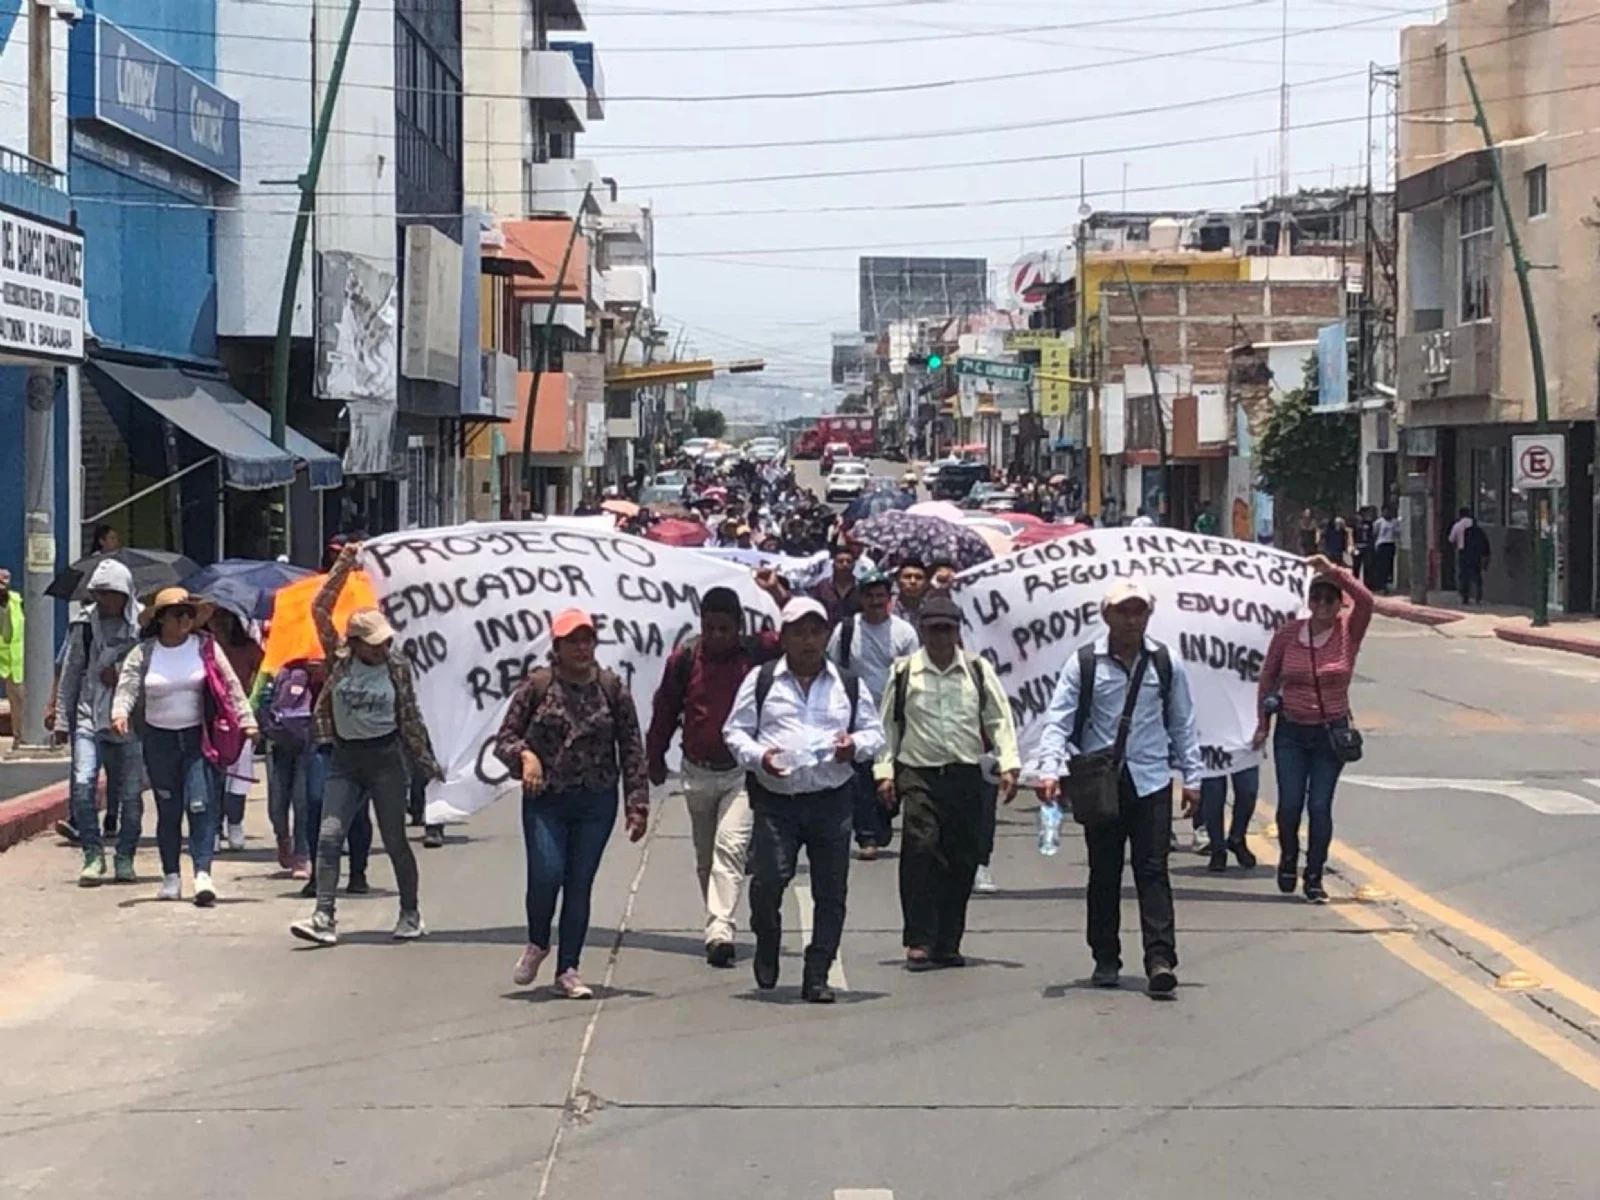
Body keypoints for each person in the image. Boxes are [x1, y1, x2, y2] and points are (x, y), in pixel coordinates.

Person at [1035, 581, 1203, 996]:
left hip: (1151, 781)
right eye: (1123, 612)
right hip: (1100, 785)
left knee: (1153, 871)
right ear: (1106, 615)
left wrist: (1193, 778)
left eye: (1138, 612)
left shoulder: (1166, 662)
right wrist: (1050, 769)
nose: (1131, 620)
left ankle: (1160, 959)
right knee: (1104, 872)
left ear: (1148, 616)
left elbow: (1182, 721)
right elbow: (1058, 718)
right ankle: (1105, 957)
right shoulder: (1085, 663)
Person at [723, 597, 886, 1003]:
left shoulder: (847, 683)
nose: (808, 641)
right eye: (798, 632)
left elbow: (874, 733)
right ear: (784, 638)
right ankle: (768, 940)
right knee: (768, 882)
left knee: (830, 891)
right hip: (778, 801)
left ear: (826, 635)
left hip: (832, 800)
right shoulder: (762, 681)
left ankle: (818, 972)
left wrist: (855, 745)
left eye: (815, 631)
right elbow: (735, 731)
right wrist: (760, 757)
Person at [289, 543, 444, 947]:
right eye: (373, 642)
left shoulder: (397, 668)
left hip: (387, 760)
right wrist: (344, 564)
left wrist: (427, 762)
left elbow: (411, 718)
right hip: (345, 759)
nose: (381, 648)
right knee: (327, 836)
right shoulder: (339, 660)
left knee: (394, 840)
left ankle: (410, 911)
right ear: (354, 643)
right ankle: (324, 915)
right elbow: (320, 607)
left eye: (384, 641)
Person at [495, 608, 650, 998]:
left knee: (579, 882)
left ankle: (569, 968)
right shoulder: (538, 686)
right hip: (546, 800)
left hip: (595, 801)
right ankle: (537, 941)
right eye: (572, 641)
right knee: (547, 873)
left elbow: (631, 746)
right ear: (557, 647)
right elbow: (505, 739)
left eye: (587, 640)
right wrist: (525, 756)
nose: (582, 648)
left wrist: (637, 803)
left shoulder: (612, 688)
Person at [875, 597, 1019, 969]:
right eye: (934, 628)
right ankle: (919, 939)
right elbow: (887, 725)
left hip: (965, 773)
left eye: (948, 629)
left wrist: (1009, 763)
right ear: (921, 630)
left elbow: (999, 718)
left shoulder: (976, 669)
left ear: (958, 631)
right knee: (921, 849)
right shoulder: (905, 671)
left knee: (961, 857)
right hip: (918, 772)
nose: (941, 637)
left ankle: (948, 940)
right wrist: (885, 772)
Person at [646, 588, 780, 968]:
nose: (718, 635)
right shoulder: (684, 660)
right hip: (697, 772)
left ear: (739, 626)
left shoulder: (757, 655)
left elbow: (792, 636)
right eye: (710, 627)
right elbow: (666, 710)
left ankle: (720, 929)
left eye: (725, 628)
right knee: (706, 857)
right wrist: (653, 758)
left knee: (729, 847)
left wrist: (776, 594)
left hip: (740, 773)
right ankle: (717, 917)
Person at [111, 590, 257, 906]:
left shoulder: (205, 647)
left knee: (201, 804)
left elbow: (229, 685)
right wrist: (120, 712)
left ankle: (202, 873)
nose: (184, 620)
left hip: (197, 738)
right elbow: (128, 686)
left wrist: (247, 719)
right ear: (161, 618)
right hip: (158, 740)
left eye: (189, 614)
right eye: (178, 614)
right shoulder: (144, 652)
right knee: (168, 808)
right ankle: (171, 876)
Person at [1254, 554, 1373, 903]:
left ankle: (1315, 875)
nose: (1322, 605)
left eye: (1330, 599)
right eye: (1316, 598)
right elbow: (1268, 678)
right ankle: (1288, 857)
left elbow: (1367, 600)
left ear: (1339, 604)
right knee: (1290, 805)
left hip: (1329, 734)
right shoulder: (1289, 634)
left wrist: (1332, 570)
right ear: (1308, 602)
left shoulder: (1348, 633)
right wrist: (1263, 722)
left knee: (1319, 806)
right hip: (1291, 731)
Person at [55, 559, 143, 885]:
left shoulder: (141, 626)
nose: (104, 600)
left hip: (129, 721)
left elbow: (149, 669)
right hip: (88, 717)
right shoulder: (84, 626)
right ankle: (93, 854)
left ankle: (125, 855)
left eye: (111, 593)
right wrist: (63, 719)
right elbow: (71, 672)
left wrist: (120, 673)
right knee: (82, 786)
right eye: (99, 593)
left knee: (131, 796)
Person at [827, 569, 919, 860]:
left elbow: (914, 673)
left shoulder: (904, 633)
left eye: (881, 596)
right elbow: (829, 666)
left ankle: (882, 820)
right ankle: (866, 834)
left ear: (889, 599)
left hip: (893, 715)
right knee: (861, 778)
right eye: (870, 596)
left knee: (890, 776)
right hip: (855, 717)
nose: (876, 601)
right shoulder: (845, 631)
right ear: (861, 598)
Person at [207, 606, 264, 853]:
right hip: (212, 719)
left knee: (239, 777)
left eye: (225, 618)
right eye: (215, 618)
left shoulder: (248, 647)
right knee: (213, 777)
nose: (220, 623)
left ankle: (235, 823)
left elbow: (265, 673)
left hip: (241, 719)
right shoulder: (204, 647)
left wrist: (252, 704)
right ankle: (214, 828)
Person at [1198, 766, 1261, 873]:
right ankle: (1217, 848)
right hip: (1212, 751)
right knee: (1213, 792)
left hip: (1244, 751)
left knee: (1248, 790)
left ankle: (1237, 838)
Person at [811, 543, 862, 626]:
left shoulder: (862, 588)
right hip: (827, 633)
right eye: (840, 561)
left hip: (854, 634)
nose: (845, 564)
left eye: (849, 562)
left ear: (854, 565)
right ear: (833, 565)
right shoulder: (822, 587)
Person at [0, 567, 24, 742]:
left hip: (14, 661)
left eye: (6, 579)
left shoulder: (17, 600)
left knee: (18, 700)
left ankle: (20, 736)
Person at [1449, 507, 1491, 604]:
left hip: (1463, 552)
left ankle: (1465, 597)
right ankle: (1478, 596)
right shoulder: (1476, 526)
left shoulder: (1457, 526)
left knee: (1464, 576)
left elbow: (1451, 539)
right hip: (1476, 554)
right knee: (1476, 575)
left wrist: (1456, 546)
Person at [1371, 505, 1400, 594]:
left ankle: (1388, 585)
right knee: (1381, 566)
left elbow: (1397, 533)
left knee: (1389, 565)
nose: (1387, 513)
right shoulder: (1378, 522)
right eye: (1385, 511)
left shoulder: (1394, 522)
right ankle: (1380, 585)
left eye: (1389, 511)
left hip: (1390, 544)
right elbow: (1374, 534)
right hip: (1381, 544)